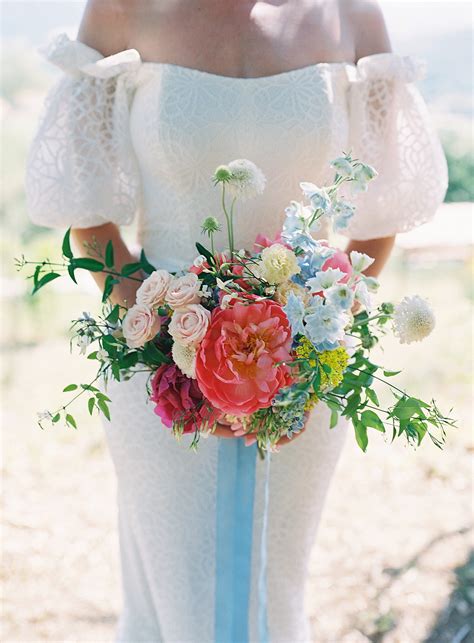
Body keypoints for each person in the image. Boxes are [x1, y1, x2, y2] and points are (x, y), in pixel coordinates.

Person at [25, 1, 447, 640]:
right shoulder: (121, 8)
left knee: (273, 599)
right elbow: (90, 216)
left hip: (305, 374)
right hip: (158, 376)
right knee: (180, 606)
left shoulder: (351, 15)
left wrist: (304, 342)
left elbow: (378, 217)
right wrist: (182, 348)